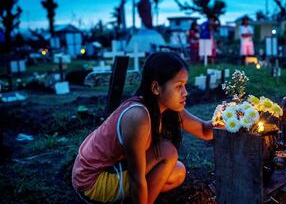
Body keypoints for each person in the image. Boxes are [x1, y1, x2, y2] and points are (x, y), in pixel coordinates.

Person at [72, 52, 217, 204]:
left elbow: (204, 130)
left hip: (113, 170)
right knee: (167, 151)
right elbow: (137, 178)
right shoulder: (138, 117)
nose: (185, 92)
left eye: (185, 85)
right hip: (92, 182)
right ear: (156, 88)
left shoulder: (169, 107)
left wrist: (232, 116)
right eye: (179, 86)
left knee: (177, 172)